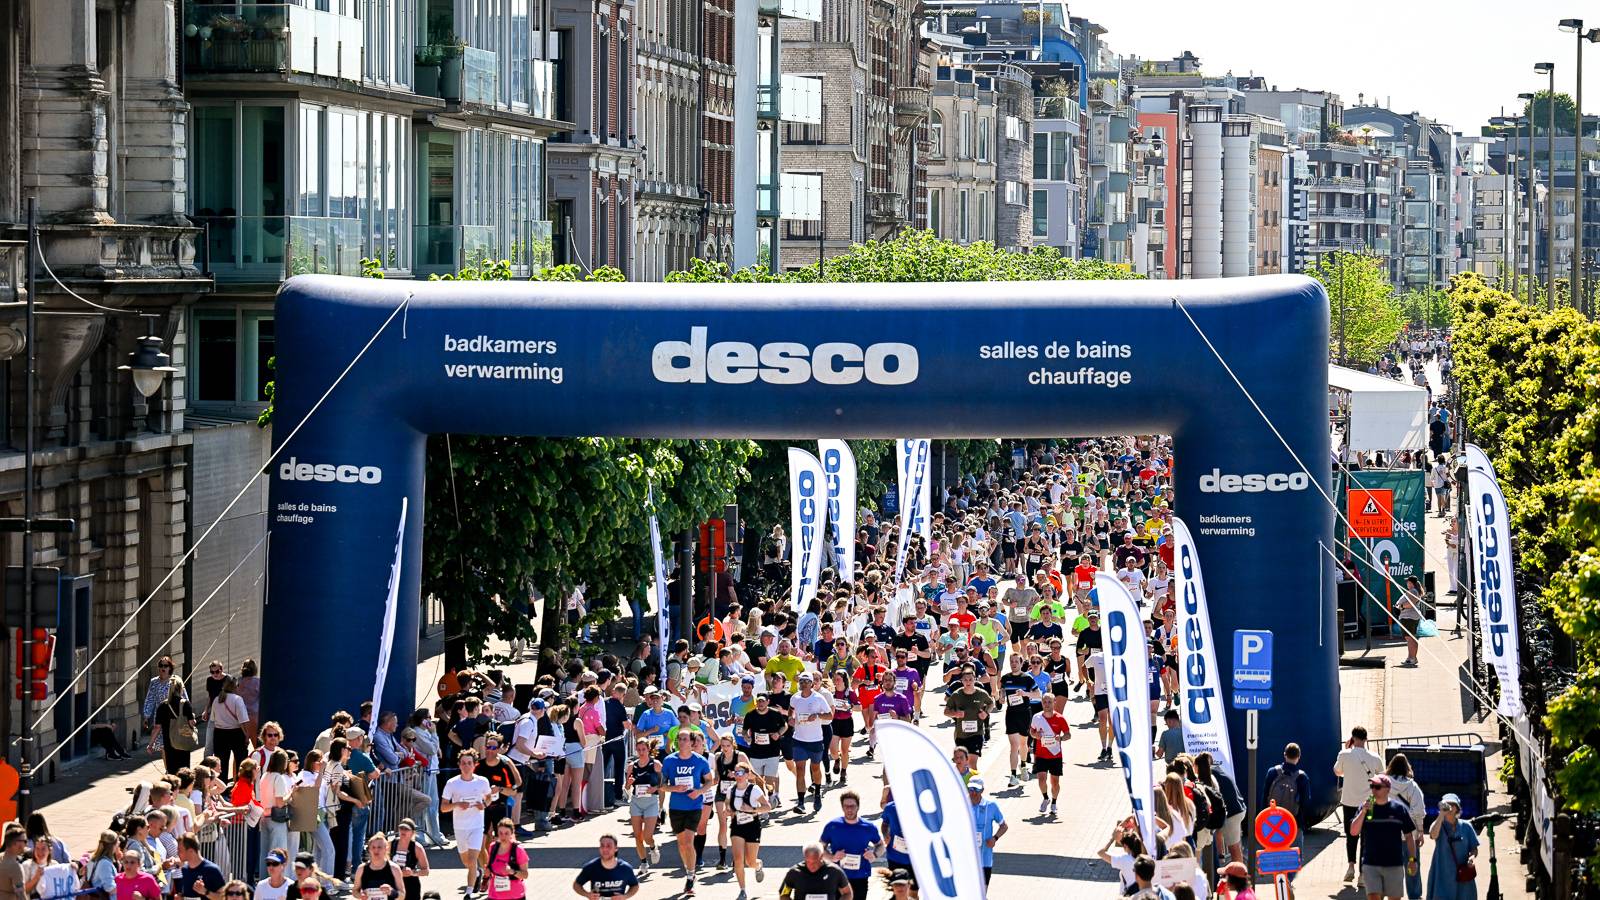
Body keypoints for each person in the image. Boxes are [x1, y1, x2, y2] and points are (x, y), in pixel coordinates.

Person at [1349, 774, 1420, 900]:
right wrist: (1363, 812)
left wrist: (1412, 860)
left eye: (1377, 787)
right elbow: (1353, 832)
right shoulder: (1365, 808)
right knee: (1374, 897)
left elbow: (1409, 836)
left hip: (1394, 864)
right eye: (1372, 786)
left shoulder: (1399, 809)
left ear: (1387, 789)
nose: (1373, 790)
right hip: (1371, 864)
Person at [661, 730, 712, 895]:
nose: (681, 742)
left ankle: (690, 877)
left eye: (684, 739)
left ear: (691, 742)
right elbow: (662, 785)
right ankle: (689, 868)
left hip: (694, 806)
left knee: (689, 842)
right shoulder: (669, 760)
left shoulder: (700, 760)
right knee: (682, 844)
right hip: (676, 807)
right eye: (679, 739)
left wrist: (699, 791)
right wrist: (674, 788)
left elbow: (710, 780)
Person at [1337, 726, 1388, 885]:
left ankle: (1350, 866)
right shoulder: (1375, 757)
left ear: (1352, 738)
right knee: (1366, 838)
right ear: (1366, 739)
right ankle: (1362, 875)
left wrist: (1347, 750)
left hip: (1349, 802)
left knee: (1351, 835)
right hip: (1369, 803)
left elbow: (1337, 771)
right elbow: (1382, 777)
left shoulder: (1344, 754)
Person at [440, 749, 492, 894]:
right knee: (467, 862)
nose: (466, 766)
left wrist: (484, 804)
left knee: (473, 858)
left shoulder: (482, 781)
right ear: (459, 765)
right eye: (463, 763)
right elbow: (443, 808)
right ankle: (477, 873)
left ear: (475, 765)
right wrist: (457, 804)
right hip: (460, 827)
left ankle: (469, 892)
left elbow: (489, 797)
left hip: (477, 826)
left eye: (469, 763)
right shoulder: (452, 783)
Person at [820, 791, 881, 899]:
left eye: (852, 806)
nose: (849, 809)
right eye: (846, 806)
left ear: (858, 807)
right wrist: (832, 857)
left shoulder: (868, 827)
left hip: (860, 876)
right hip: (837, 875)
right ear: (842, 807)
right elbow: (820, 847)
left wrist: (874, 855)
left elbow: (880, 845)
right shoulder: (833, 826)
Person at [726, 761, 772, 900]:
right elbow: (727, 806)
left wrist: (752, 809)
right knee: (738, 860)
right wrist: (728, 811)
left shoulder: (754, 789)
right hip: (737, 826)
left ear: (747, 775)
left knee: (750, 862)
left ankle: (758, 866)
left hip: (752, 826)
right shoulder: (731, 790)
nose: (738, 775)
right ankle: (742, 890)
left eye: (740, 773)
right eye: (735, 773)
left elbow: (767, 807)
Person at [1388, 754, 1428, 900]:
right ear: (1407, 768)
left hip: (1390, 833)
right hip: (1410, 833)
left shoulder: (1384, 784)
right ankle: (1414, 895)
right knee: (1412, 864)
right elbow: (1419, 811)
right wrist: (1421, 831)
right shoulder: (1412, 786)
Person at [1425, 794, 1479, 900]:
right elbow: (1433, 835)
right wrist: (1441, 815)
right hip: (1442, 872)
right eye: (1446, 804)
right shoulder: (1438, 824)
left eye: (1451, 805)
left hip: (1462, 874)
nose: (1449, 807)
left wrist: (1472, 858)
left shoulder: (1466, 826)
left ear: (1457, 808)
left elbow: (1474, 849)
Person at [623, 738, 662, 873]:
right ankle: (644, 863)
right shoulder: (631, 766)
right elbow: (627, 788)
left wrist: (655, 788)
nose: (641, 752)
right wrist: (629, 783)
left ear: (648, 749)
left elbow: (663, 783)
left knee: (647, 836)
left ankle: (653, 847)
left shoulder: (655, 764)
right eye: (639, 750)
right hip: (636, 802)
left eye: (643, 749)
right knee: (637, 835)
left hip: (651, 802)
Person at [1029, 694, 1070, 814]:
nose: (1047, 705)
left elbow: (1068, 735)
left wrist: (1060, 738)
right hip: (1040, 754)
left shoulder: (1060, 718)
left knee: (1055, 782)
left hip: (1055, 755)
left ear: (1054, 702)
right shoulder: (1037, 717)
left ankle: (1054, 802)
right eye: (1045, 702)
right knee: (1041, 780)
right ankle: (1046, 798)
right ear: (1042, 703)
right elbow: (1032, 731)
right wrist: (1035, 735)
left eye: (1049, 702)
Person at [571, 834, 639, 899]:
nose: (605, 849)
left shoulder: (625, 868)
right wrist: (587, 895)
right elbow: (576, 885)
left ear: (616, 848)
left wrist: (625, 896)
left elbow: (635, 885)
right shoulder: (591, 867)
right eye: (602, 846)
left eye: (609, 846)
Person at [1263, 743, 1312, 834]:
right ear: (1299, 757)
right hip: (1293, 823)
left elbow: (1265, 796)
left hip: (1272, 822)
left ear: (1284, 754)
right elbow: (1305, 802)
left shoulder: (1272, 772)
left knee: (1273, 843)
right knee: (1295, 843)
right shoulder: (1302, 777)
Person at [966, 778, 1007, 886]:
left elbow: (1004, 826)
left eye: (976, 789)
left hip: (985, 859)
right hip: (966, 859)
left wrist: (995, 838)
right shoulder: (961, 805)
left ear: (982, 790)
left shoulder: (991, 806)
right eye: (971, 789)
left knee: (983, 890)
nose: (973, 793)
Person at [778, 844, 851, 900]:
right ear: (804, 857)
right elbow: (784, 894)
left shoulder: (834, 871)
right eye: (808, 862)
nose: (812, 866)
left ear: (821, 856)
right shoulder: (794, 872)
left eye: (815, 862)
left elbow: (847, 893)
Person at [479, 819, 527, 900]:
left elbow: (525, 875)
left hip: (515, 895)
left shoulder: (518, 850)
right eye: (500, 833)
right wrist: (487, 873)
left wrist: (512, 871)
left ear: (512, 833)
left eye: (506, 833)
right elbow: (490, 867)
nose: (503, 836)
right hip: (494, 895)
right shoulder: (493, 847)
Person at [173, 835, 227, 900]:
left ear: (191, 851)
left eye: (180, 850)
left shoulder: (212, 870)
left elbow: (223, 897)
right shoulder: (184, 869)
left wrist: (205, 892)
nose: (177, 853)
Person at [386, 820, 428, 900]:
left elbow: (426, 871)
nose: (403, 831)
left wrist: (412, 872)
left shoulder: (417, 847)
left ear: (412, 832)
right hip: (392, 884)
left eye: (406, 829)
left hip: (411, 884)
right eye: (401, 828)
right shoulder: (391, 844)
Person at [351, 836, 399, 900]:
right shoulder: (361, 868)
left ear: (386, 849)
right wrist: (360, 896)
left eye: (379, 847)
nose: (376, 850)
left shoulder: (394, 868)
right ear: (369, 849)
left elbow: (402, 895)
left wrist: (391, 892)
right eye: (373, 847)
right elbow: (355, 891)